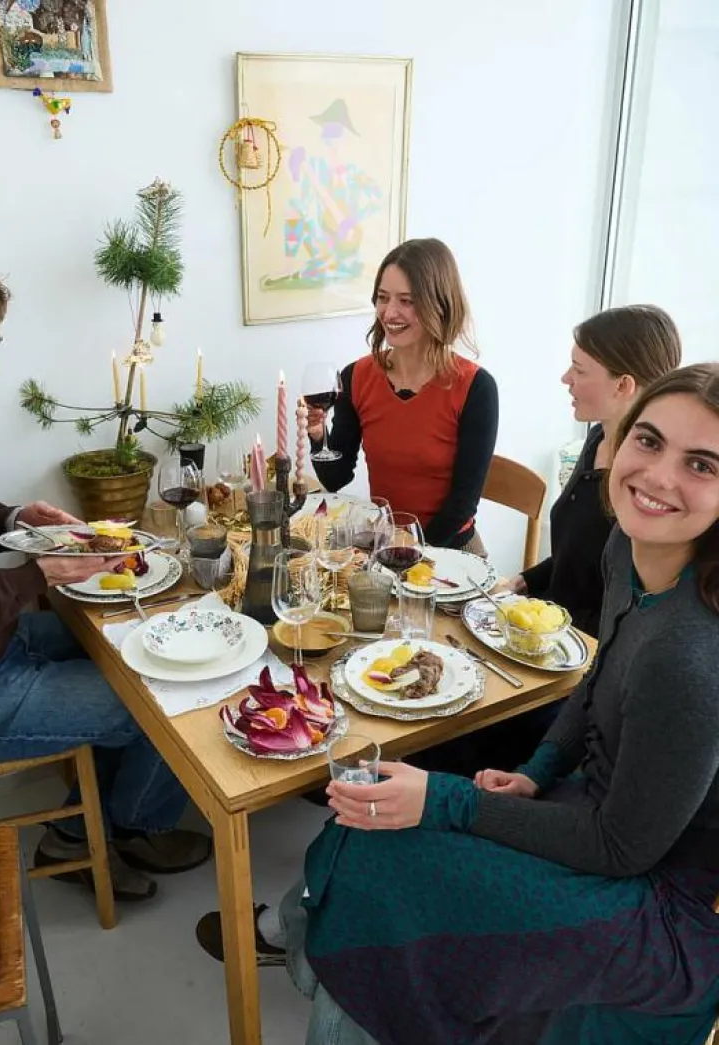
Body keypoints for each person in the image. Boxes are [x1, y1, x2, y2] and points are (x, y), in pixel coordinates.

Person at [281, 363, 719, 1045]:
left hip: (659, 906)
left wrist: (448, 800)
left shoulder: (689, 653)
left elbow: (621, 847)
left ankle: (326, 969)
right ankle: (325, 963)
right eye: (650, 441)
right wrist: (539, 768)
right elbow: (597, 679)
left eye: (701, 464)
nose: (659, 476)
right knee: (370, 823)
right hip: (590, 810)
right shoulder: (628, 551)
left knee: (382, 853)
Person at [0, 245, 211, 902]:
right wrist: (39, 573)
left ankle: (91, 827)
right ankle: (118, 830)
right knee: (165, 701)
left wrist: (14, 518)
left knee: (149, 639)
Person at [307, 238, 498, 552]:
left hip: (449, 552)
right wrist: (318, 437)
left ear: (439, 304)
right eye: (383, 298)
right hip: (385, 546)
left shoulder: (476, 388)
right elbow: (336, 478)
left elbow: (463, 503)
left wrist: (411, 550)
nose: (390, 313)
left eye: (407, 301)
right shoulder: (356, 377)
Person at [505, 304, 681, 637]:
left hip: (582, 645)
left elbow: (621, 608)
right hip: (550, 626)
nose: (566, 378)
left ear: (623, 385)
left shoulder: (647, 485)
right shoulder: (597, 438)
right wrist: (525, 581)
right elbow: (575, 556)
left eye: (579, 370)